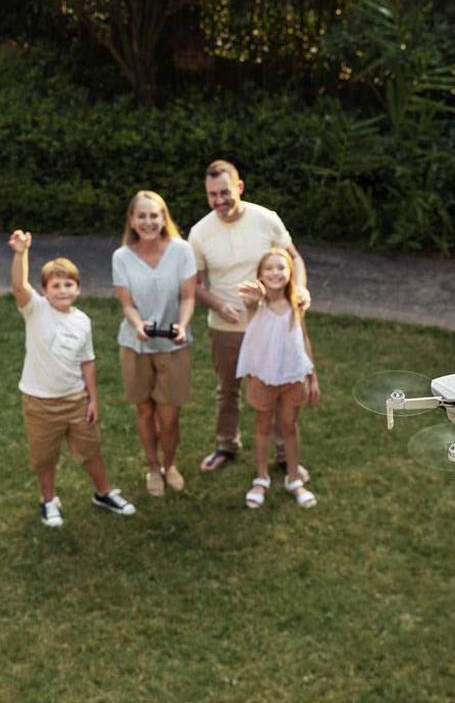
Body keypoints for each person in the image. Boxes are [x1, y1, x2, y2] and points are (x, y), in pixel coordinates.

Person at [188, 159, 311, 473]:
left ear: (239, 187)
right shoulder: (200, 233)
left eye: (225, 192)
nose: (219, 200)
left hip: (272, 323)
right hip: (226, 326)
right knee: (227, 389)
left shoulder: (266, 219)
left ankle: (283, 454)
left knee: (278, 385)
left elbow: (294, 258)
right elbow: (194, 285)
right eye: (212, 195)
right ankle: (226, 445)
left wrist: (299, 290)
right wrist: (218, 305)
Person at [8, 229, 136, 528]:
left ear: (78, 289)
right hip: (40, 403)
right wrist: (21, 254)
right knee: (44, 456)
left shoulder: (82, 321)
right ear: (44, 291)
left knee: (91, 449)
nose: (63, 290)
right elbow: (18, 285)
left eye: (69, 284)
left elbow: (87, 361)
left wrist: (93, 399)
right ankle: (48, 500)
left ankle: (104, 493)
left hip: (76, 400)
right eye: (56, 285)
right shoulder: (35, 310)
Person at [112, 190, 197, 496]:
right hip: (136, 346)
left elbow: (188, 297)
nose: (148, 222)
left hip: (173, 346)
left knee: (169, 417)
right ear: (132, 220)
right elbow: (126, 304)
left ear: (164, 218)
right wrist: (138, 325)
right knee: (145, 412)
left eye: (154, 215)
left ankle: (169, 464)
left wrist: (182, 325)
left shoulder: (182, 251)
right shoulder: (121, 257)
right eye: (142, 216)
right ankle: (152, 467)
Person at [236, 248, 320, 509]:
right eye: (269, 268)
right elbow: (250, 301)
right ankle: (261, 478)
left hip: (293, 376)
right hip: (262, 376)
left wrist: (312, 376)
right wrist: (254, 297)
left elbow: (303, 339)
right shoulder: (257, 304)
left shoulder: (296, 304)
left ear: (290, 272)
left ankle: (293, 478)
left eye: (281, 267)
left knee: (289, 426)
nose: (275, 273)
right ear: (261, 274)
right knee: (263, 426)